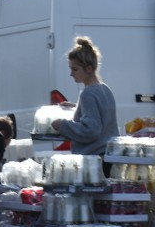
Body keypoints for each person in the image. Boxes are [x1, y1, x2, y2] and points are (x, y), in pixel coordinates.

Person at [50, 37, 119, 177]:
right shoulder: (105, 89)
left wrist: (63, 125)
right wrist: (78, 107)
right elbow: (101, 113)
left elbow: (91, 130)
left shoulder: (87, 94)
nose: (71, 74)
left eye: (75, 69)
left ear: (89, 68)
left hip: (95, 161)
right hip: (110, 157)